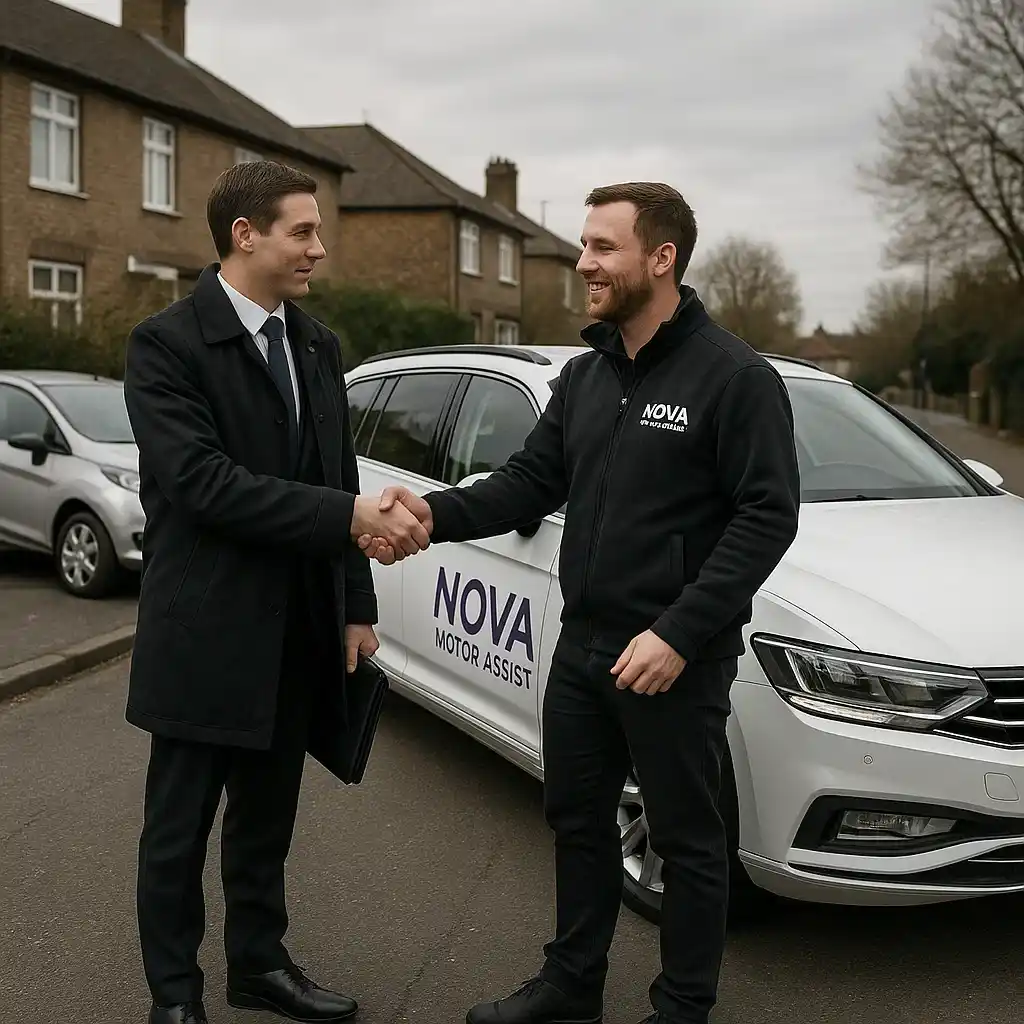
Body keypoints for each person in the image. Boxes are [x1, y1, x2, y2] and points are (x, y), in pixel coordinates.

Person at [360, 182, 801, 1024]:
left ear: (661, 258)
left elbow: (766, 519)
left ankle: (682, 1008)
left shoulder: (734, 379)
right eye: (585, 244)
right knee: (576, 821)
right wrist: (432, 514)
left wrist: (678, 632)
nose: (583, 262)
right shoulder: (588, 376)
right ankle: (572, 986)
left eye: (603, 246)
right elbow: (531, 481)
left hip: (671, 660)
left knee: (687, 844)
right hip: (582, 645)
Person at [123, 159, 429, 1024]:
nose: (318, 249)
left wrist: (357, 605)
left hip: (296, 627)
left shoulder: (317, 344)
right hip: (204, 628)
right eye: (303, 231)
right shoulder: (165, 344)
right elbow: (203, 485)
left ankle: (257, 965)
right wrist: (348, 514)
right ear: (244, 235)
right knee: (177, 832)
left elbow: (341, 476)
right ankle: (174, 997)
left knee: (265, 821)